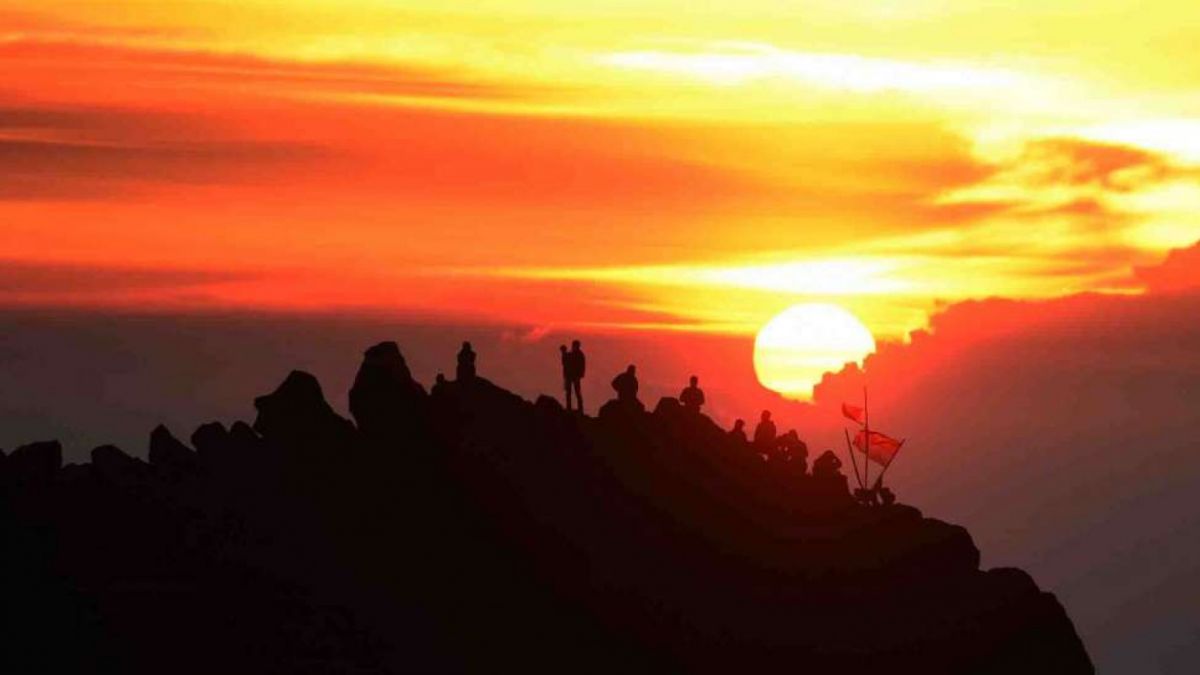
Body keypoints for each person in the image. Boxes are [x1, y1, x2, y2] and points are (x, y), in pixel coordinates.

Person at [564, 340, 586, 413]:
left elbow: (582, 366)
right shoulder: (574, 354)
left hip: (574, 376)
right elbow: (565, 362)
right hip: (570, 376)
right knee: (569, 392)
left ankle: (579, 409)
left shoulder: (579, 355)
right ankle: (569, 408)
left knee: (576, 392)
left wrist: (579, 375)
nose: (573, 347)